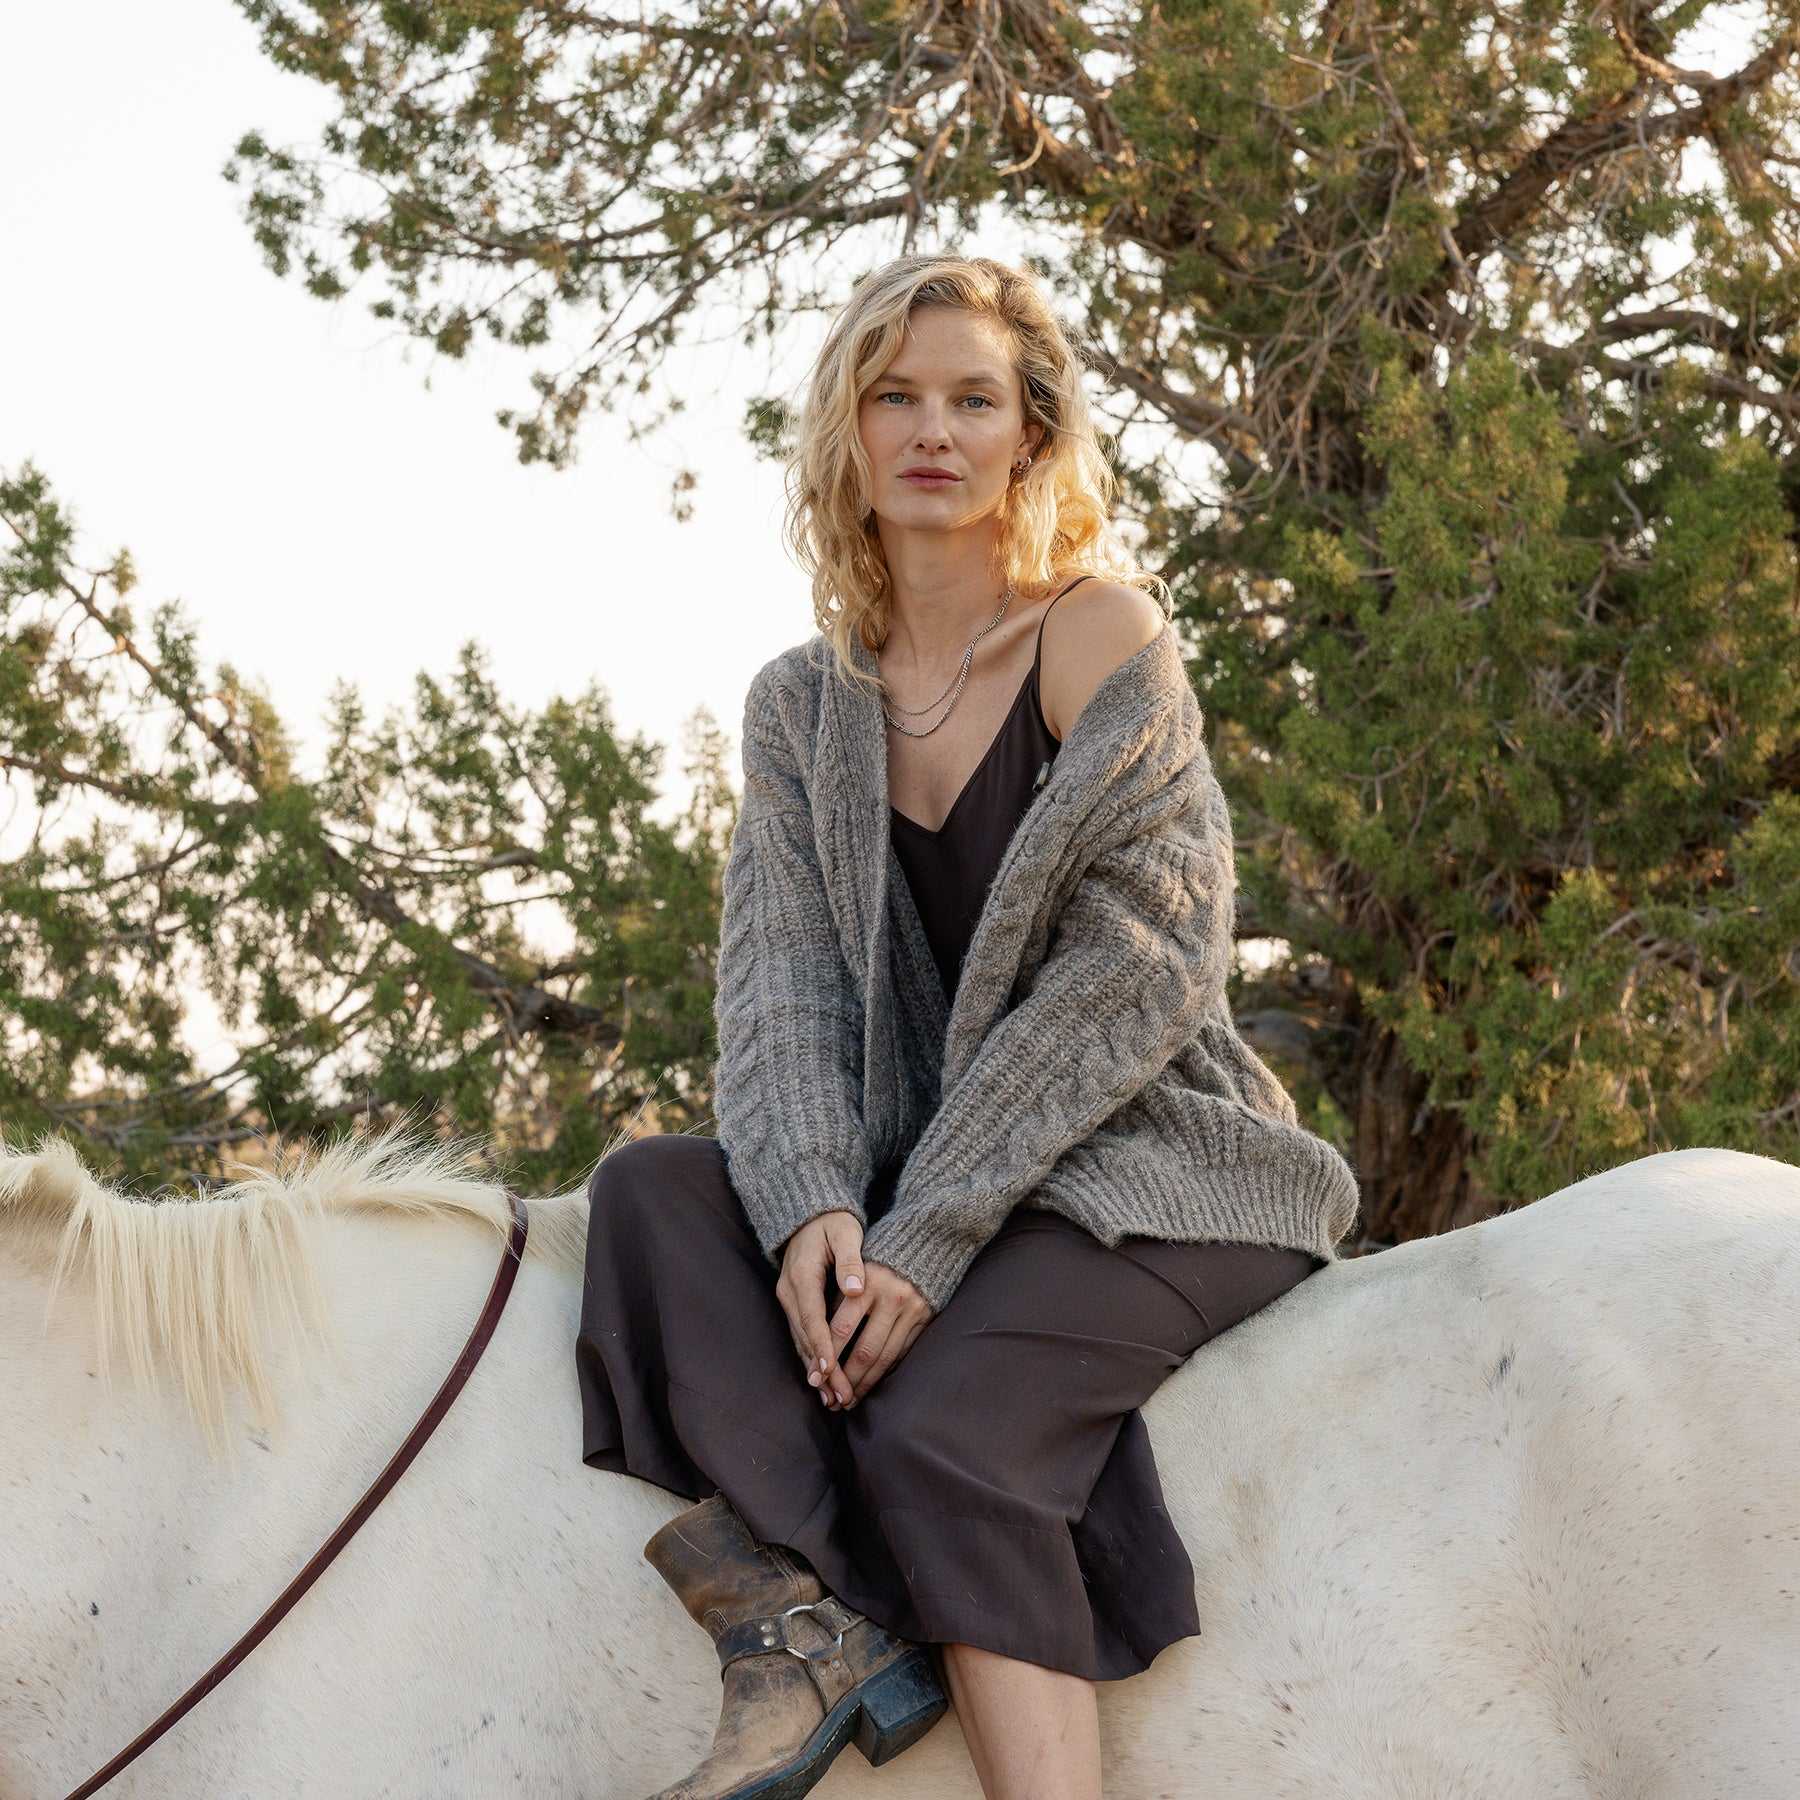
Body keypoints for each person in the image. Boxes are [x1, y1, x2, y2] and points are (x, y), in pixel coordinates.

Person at [577, 253, 1362, 1800]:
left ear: (1030, 436)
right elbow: (780, 990)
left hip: (1150, 1163)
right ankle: (826, 1632)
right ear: (847, 434)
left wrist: (924, 1236)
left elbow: (1145, 965)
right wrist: (810, 1207)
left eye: (974, 399)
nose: (934, 429)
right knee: (651, 1193)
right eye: (897, 395)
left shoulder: (1094, 634)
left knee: (946, 1436)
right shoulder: (802, 706)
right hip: (907, 1174)